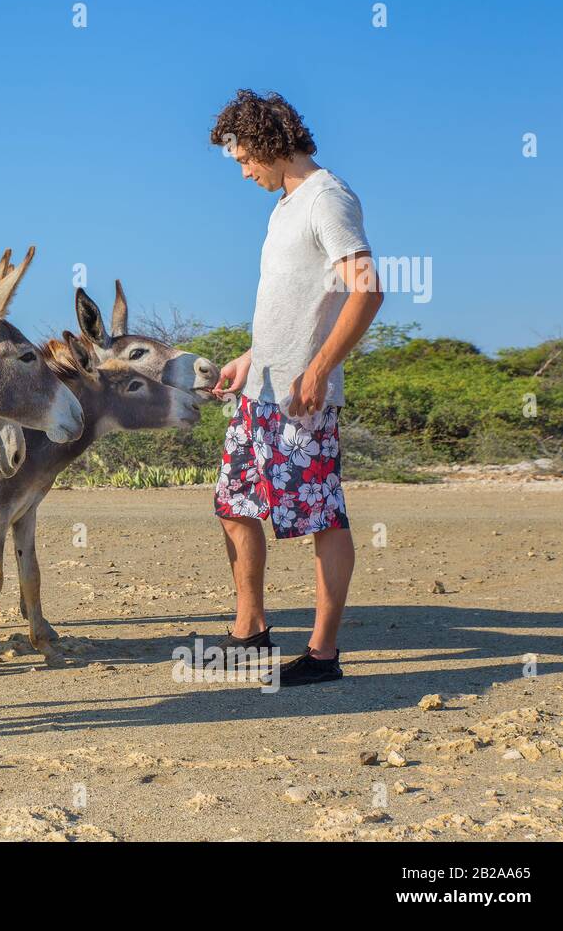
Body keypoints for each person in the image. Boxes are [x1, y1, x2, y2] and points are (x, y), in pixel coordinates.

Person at [207, 90, 384, 686]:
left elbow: (367, 290)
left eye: (242, 158)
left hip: (300, 401)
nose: (242, 170)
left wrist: (318, 368)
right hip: (258, 391)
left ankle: (323, 654)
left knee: (322, 519)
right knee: (233, 505)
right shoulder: (284, 205)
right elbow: (297, 306)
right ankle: (249, 631)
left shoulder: (327, 198)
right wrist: (249, 358)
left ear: (266, 143)